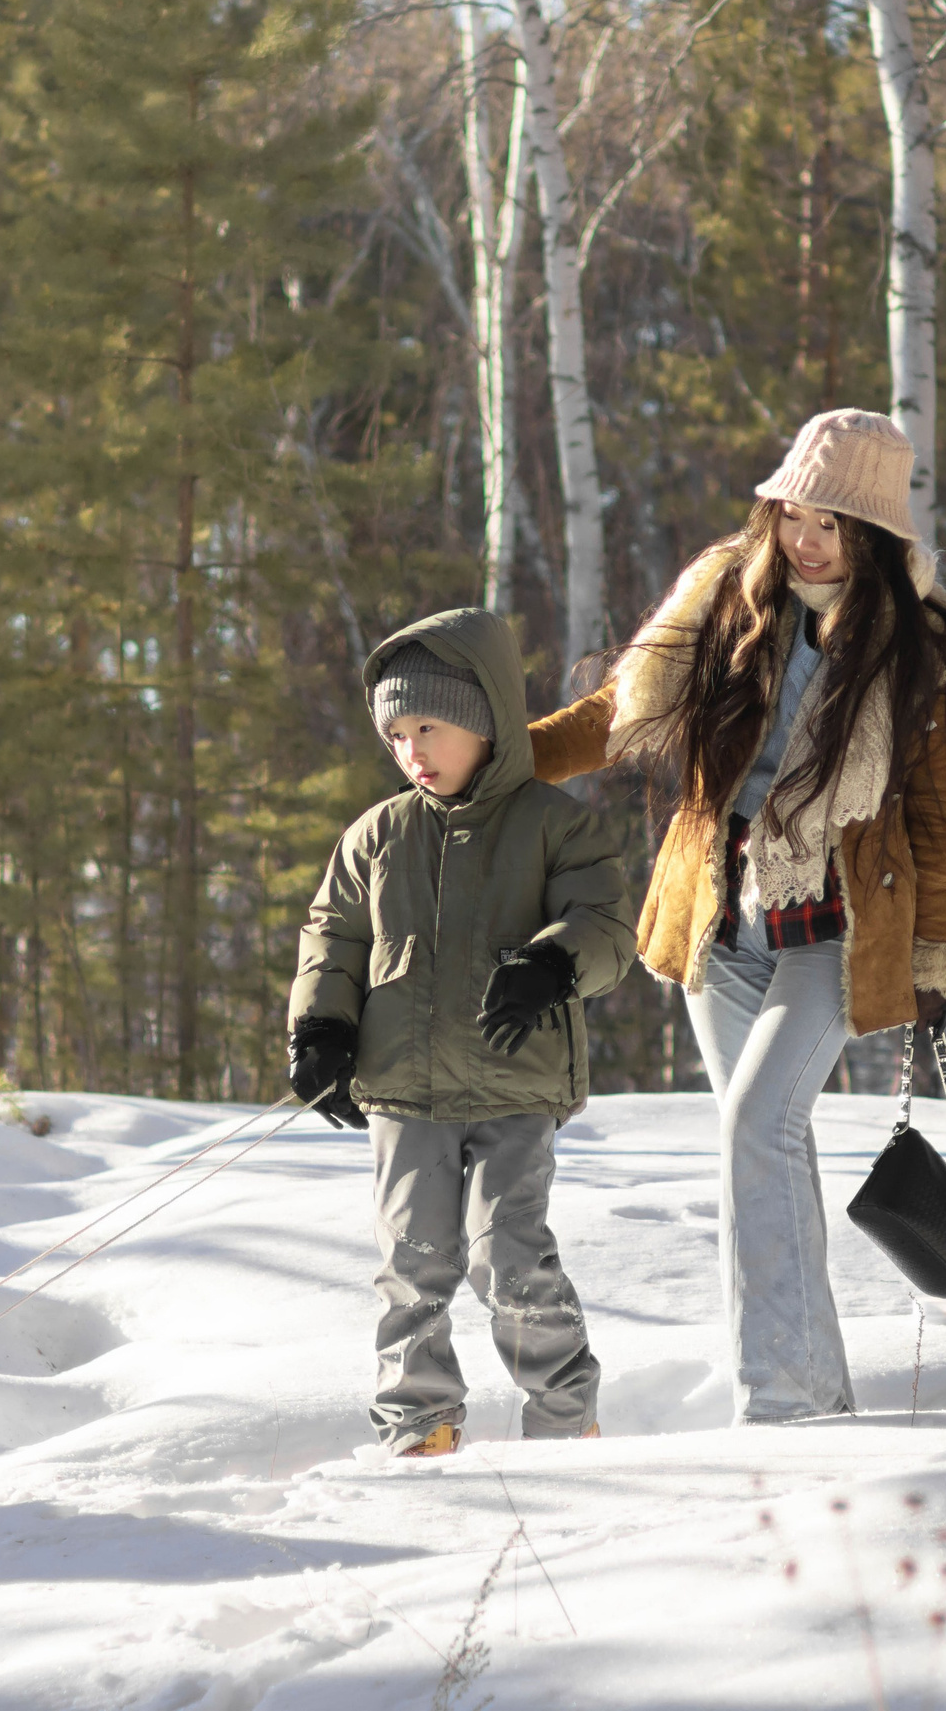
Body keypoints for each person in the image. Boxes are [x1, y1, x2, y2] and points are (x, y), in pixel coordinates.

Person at [529, 409, 946, 1425]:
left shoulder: (928, 642)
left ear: (873, 533)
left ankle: (773, 1403)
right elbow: (618, 711)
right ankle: (818, 1396)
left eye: (832, 522)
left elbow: (943, 808)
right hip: (723, 910)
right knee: (770, 1149)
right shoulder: (725, 596)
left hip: (841, 921)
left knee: (753, 1126)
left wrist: (936, 952)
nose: (805, 540)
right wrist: (503, 761)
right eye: (791, 513)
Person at [287, 607, 636, 1458]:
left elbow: (606, 924)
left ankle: (563, 1418)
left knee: (508, 1257)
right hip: (404, 1090)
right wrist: (322, 1028)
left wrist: (551, 965)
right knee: (412, 1263)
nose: (413, 751)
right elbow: (333, 937)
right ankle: (418, 1424)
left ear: (484, 718)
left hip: (514, 1084)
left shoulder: (557, 824)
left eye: (430, 728)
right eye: (397, 733)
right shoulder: (378, 835)